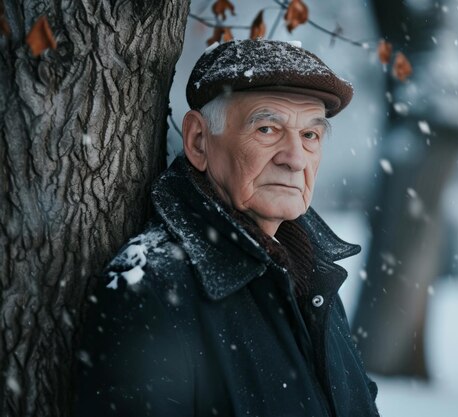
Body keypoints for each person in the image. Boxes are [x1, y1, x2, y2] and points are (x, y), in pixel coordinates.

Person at [74, 40, 379, 417]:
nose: (296, 158)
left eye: (310, 136)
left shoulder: (313, 275)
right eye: (267, 129)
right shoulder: (151, 287)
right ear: (199, 141)